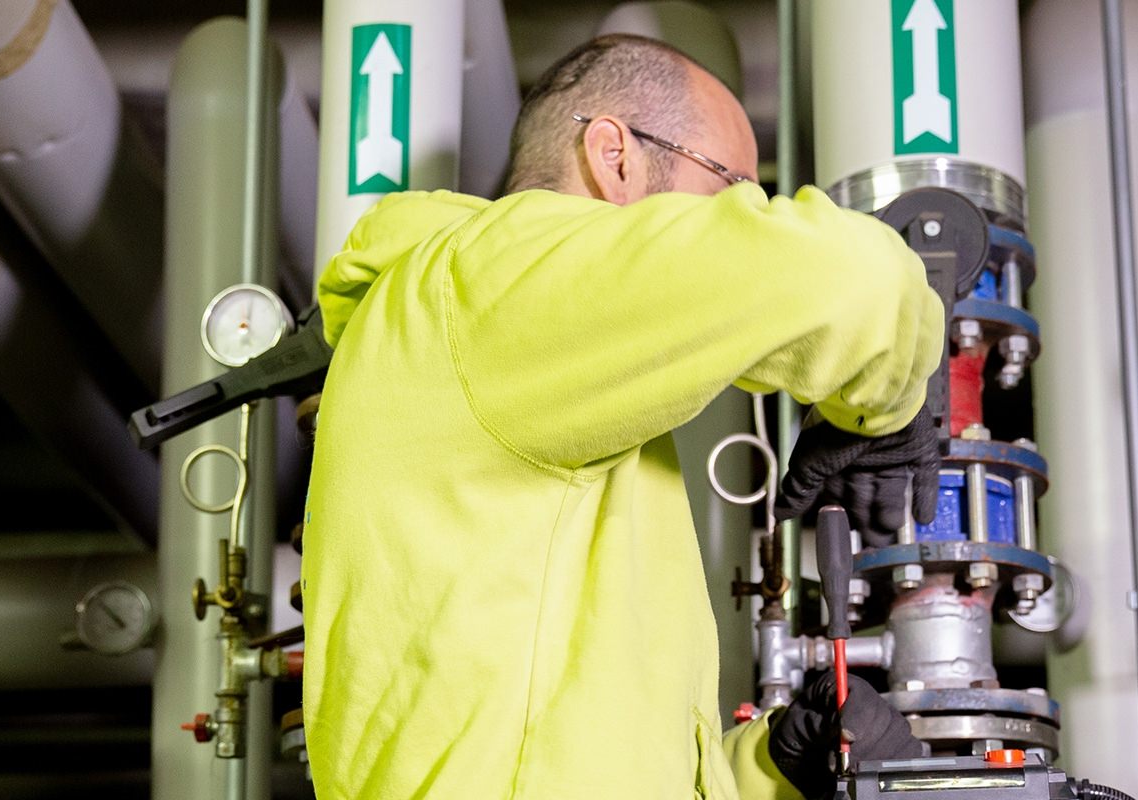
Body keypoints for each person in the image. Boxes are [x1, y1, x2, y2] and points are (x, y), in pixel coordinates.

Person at [301, 33, 942, 800]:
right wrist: (886, 408)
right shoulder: (492, 285)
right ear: (615, 157)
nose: (743, 219)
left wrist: (771, 767)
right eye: (735, 190)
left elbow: (572, 752)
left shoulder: (519, 360)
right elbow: (857, 277)